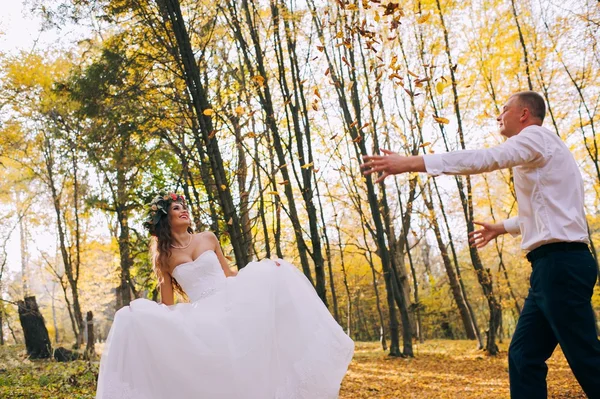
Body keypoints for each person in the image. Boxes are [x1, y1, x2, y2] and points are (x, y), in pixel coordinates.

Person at [361, 91, 600, 398]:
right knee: (524, 355)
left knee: (586, 359)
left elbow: (484, 159)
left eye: (504, 109)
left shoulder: (535, 138)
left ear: (524, 114)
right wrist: (501, 228)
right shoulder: (547, 151)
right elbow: (546, 215)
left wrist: (409, 163)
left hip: (561, 267)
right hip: (552, 267)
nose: (499, 116)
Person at [96, 192, 354, 399]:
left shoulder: (207, 237)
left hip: (232, 301)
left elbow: (229, 274)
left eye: (184, 206)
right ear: (165, 219)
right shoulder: (164, 257)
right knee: (220, 369)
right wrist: (142, 317)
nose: (183, 210)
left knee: (251, 358)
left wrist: (267, 273)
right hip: (204, 316)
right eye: (176, 208)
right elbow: (167, 303)